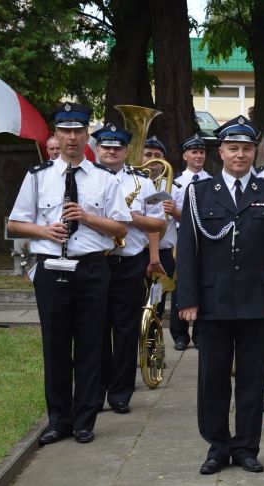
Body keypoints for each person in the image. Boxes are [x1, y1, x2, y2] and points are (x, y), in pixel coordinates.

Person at [177, 115, 264, 475]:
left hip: (255, 300)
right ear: (221, 152)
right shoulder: (198, 193)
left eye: (246, 148)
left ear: (254, 152)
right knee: (212, 378)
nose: (240, 155)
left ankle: (246, 447)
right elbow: (188, 250)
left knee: (250, 378)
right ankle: (217, 446)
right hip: (212, 301)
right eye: (233, 148)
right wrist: (187, 298)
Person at [7, 102, 131, 446]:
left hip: (91, 267)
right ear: (56, 135)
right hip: (51, 267)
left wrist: (87, 217)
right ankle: (58, 420)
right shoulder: (38, 177)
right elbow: (15, 223)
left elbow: (121, 226)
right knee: (55, 346)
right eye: (65, 131)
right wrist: (44, 231)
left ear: (86, 134)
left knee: (91, 345)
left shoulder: (103, 178)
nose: (72, 137)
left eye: (78, 131)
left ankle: (84, 421)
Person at [94, 124, 165, 414]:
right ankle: (95, 391)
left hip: (129, 262)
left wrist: (131, 218)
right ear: (97, 149)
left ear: (126, 151)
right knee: (96, 329)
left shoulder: (144, 183)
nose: (111, 151)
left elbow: (158, 222)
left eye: (117, 147)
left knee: (125, 330)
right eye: (106, 147)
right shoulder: (85, 179)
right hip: (95, 261)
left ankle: (121, 393)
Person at [169, 134, 211, 351]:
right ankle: (179, 334)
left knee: (204, 283)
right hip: (181, 239)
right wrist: (179, 214)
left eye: (202, 152)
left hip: (205, 238)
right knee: (181, 284)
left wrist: (179, 213)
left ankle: (200, 334)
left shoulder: (212, 182)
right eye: (194, 152)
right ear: (185, 156)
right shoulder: (175, 182)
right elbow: (169, 214)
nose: (198, 156)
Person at [143, 136, 181, 320]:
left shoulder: (175, 188)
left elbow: (187, 220)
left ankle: (152, 332)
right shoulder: (131, 184)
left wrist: (174, 211)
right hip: (136, 252)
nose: (152, 159)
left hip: (163, 253)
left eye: (157, 155)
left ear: (164, 159)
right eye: (148, 154)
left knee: (155, 302)